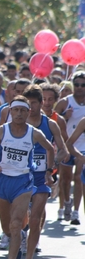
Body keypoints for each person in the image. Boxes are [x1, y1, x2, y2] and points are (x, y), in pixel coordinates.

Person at [0, 96, 55, 259]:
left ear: (28, 112)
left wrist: (49, 171)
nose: (19, 114)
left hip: (23, 182)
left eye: (23, 110)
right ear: (10, 112)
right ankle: (18, 236)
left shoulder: (34, 133)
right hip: (3, 181)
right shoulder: (1, 131)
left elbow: (50, 149)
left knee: (15, 224)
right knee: (7, 228)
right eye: (16, 110)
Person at [22, 85, 69, 259]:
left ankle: (32, 246)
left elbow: (64, 151)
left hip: (43, 175)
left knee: (35, 215)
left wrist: (53, 164)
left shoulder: (51, 124)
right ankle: (19, 236)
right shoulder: (18, 123)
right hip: (21, 175)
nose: (30, 107)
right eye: (28, 103)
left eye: (34, 103)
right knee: (19, 216)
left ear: (41, 104)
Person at [54, 71, 85, 224]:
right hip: (67, 145)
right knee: (65, 179)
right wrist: (65, 116)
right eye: (77, 84)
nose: (79, 88)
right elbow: (52, 121)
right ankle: (65, 203)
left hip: (83, 147)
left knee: (79, 178)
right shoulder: (65, 102)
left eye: (83, 85)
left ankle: (76, 212)